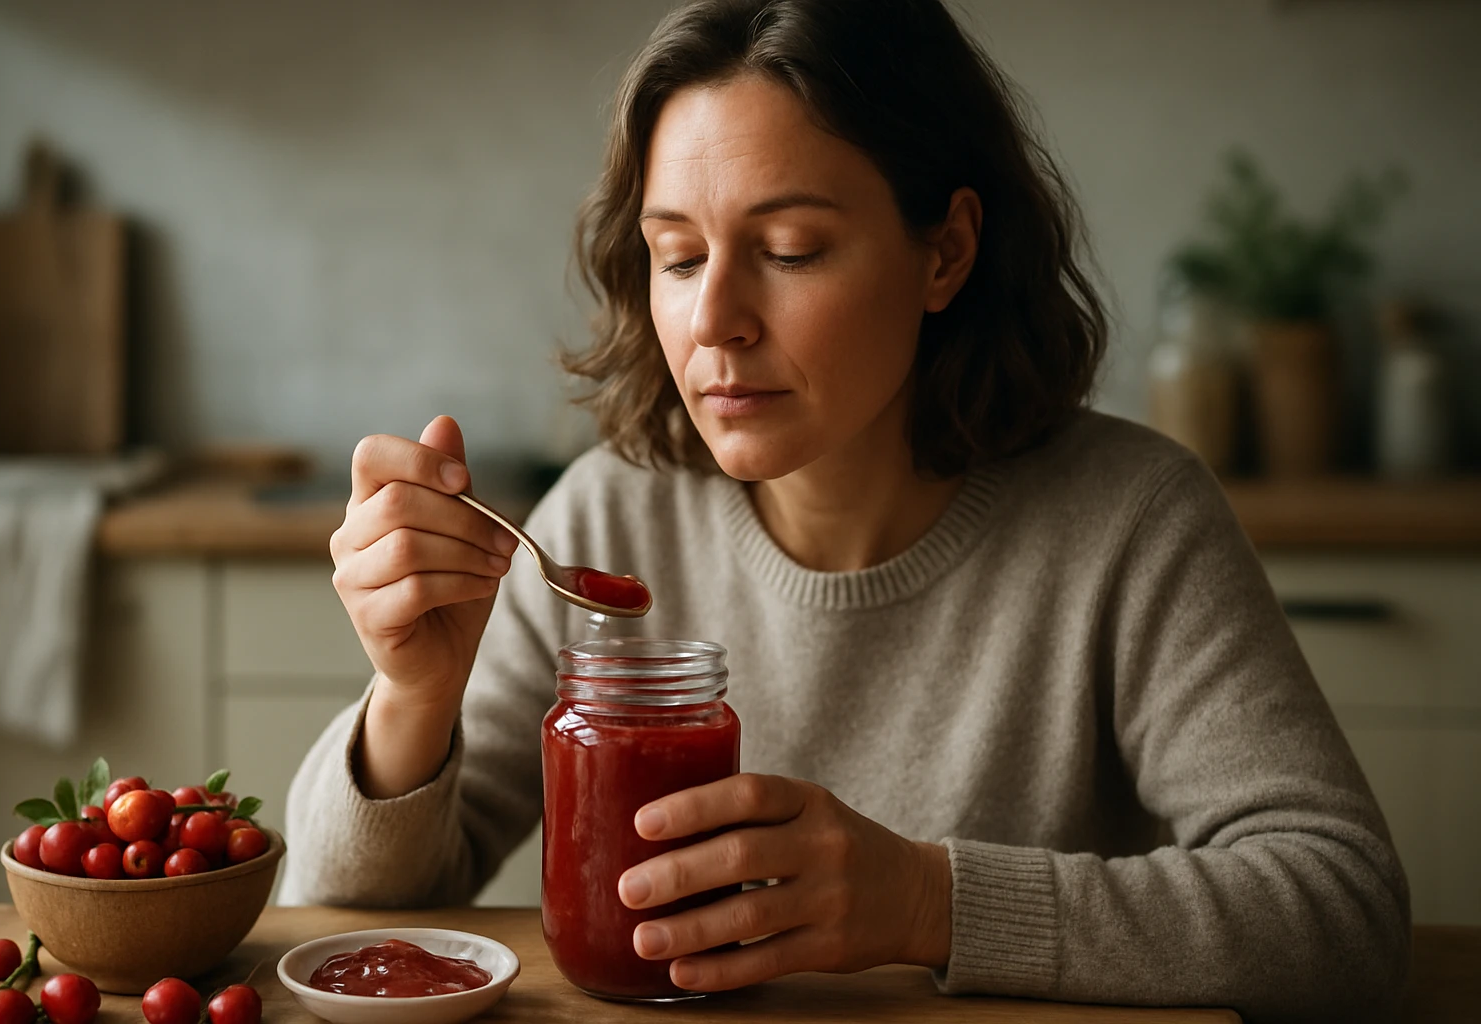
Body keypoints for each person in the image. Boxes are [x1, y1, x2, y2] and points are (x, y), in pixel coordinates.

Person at [280, 1, 1409, 1020]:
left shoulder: (1131, 523)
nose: (714, 317)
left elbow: (1342, 912)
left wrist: (928, 900)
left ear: (946, 251)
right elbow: (335, 920)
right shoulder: (609, 521)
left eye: (790, 249)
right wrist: (413, 695)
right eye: (677, 256)